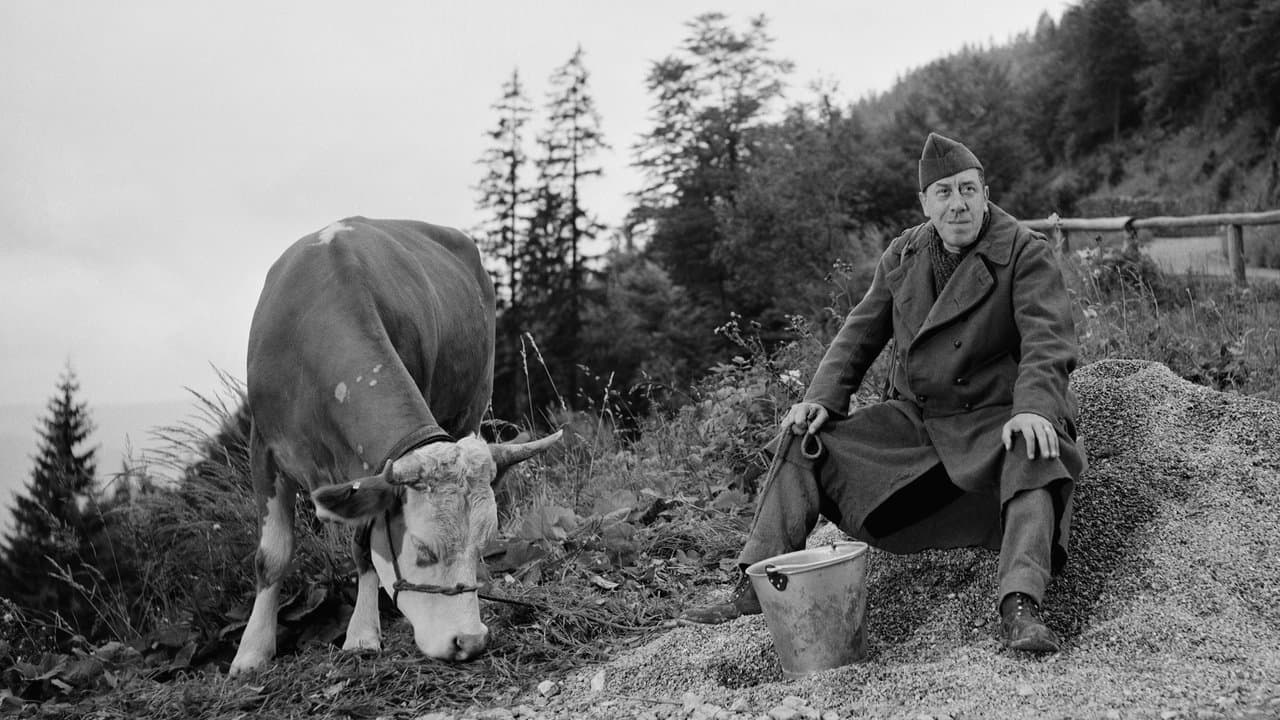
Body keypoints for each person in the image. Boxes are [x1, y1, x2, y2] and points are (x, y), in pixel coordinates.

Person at [679, 132, 1087, 653]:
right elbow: (859, 332)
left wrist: (1034, 410)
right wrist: (820, 398)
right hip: (917, 422)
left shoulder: (1024, 252)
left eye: (967, 189)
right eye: (943, 192)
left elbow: (1046, 341)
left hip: (998, 416)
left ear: (985, 191)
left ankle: (1021, 605)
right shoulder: (903, 254)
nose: (957, 203)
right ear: (925, 202)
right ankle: (755, 580)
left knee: (1036, 447)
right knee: (805, 437)